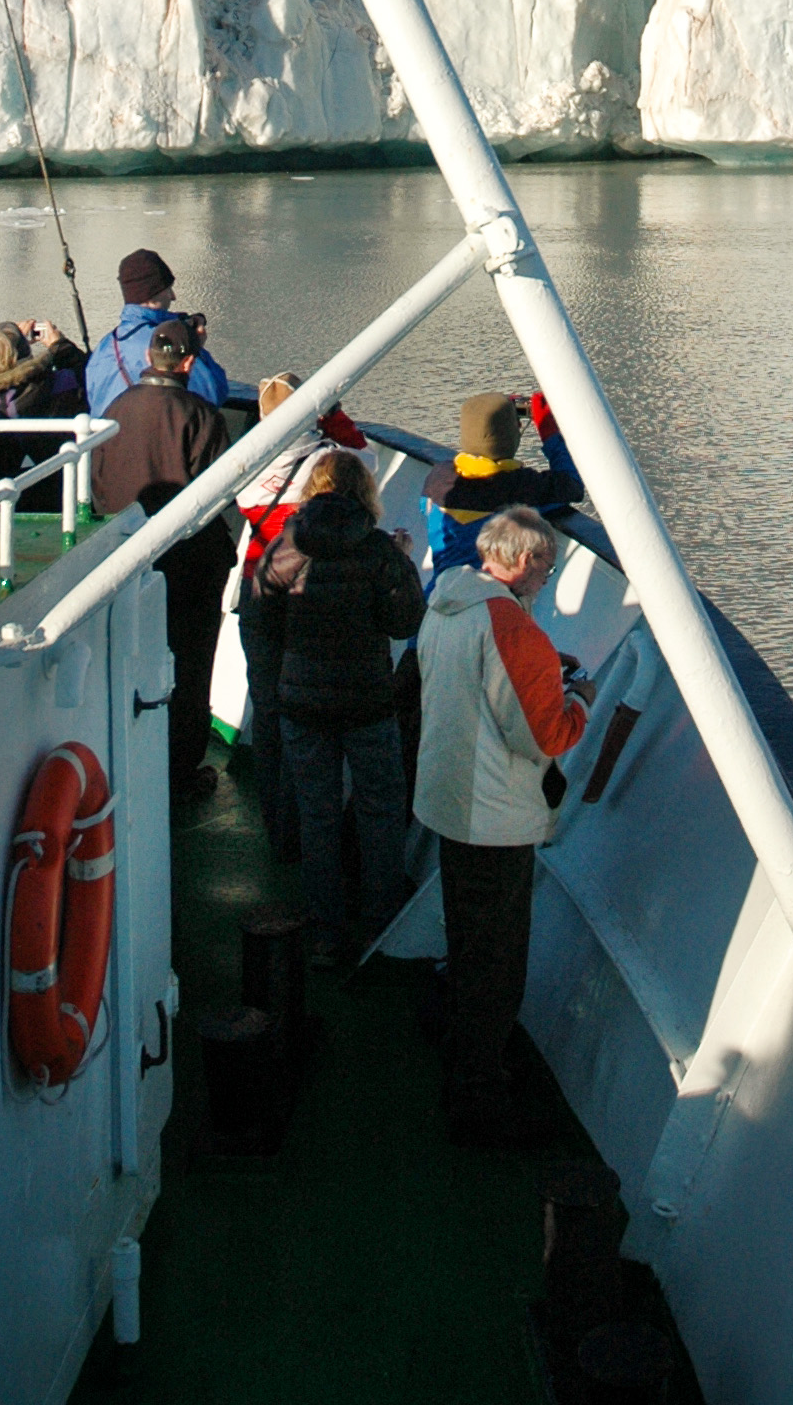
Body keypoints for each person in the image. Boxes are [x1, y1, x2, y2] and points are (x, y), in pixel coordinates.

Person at [414, 506, 593, 1146]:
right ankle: (478, 1102)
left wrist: (544, 667)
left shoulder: (446, 601)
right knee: (496, 966)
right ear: (520, 562)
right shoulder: (510, 626)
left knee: (466, 945)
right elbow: (545, 732)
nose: (546, 576)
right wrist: (578, 700)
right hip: (494, 819)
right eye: (543, 565)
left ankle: (458, 1061)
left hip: (447, 804)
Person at [251, 451, 424, 968]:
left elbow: (262, 619)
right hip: (368, 700)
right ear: (363, 492)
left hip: (302, 702)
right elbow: (403, 622)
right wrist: (405, 561)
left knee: (317, 813)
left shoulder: (285, 548)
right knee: (381, 808)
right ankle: (381, 922)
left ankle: (326, 931)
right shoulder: (379, 551)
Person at [89, 318, 236, 805]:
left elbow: (98, 488)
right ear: (189, 363)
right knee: (190, 669)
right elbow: (218, 496)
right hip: (191, 569)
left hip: (124, 563)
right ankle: (179, 771)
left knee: (126, 659)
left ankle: (125, 759)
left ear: (150, 359)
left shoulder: (114, 411)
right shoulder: (202, 416)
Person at [234, 373, 376, 859]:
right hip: (303, 597)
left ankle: (278, 829)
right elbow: (366, 458)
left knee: (269, 714)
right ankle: (312, 830)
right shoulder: (327, 459)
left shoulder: (245, 463)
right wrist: (332, 416)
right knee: (302, 718)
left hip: (257, 592)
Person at [421, 391, 583, 587]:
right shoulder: (522, 487)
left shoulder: (438, 477)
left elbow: (426, 507)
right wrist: (549, 432)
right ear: (512, 434)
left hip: (438, 595)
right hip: (490, 599)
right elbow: (572, 485)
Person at [84, 248, 229, 420]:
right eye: (168, 289)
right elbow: (212, 394)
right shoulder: (166, 342)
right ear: (153, 296)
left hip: (108, 443)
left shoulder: (104, 346)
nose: (173, 297)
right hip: (154, 442)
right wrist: (195, 349)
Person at [0, 319, 89, 509]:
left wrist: (1, 342)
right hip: (56, 494)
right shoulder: (52, 386)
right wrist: (59, 346)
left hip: (3, 495)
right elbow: (87, 376)